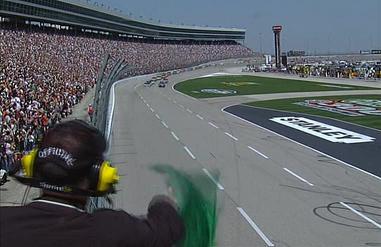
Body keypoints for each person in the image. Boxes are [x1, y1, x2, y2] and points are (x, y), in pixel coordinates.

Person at [0, 120, 184, 247]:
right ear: (98, 176)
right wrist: (162, 203)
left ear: (33, 166)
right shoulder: (111, 230)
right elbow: (167, 229)